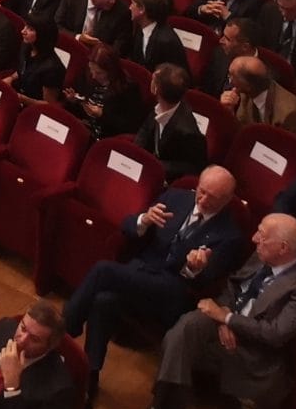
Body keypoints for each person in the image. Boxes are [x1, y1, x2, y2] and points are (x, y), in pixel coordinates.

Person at [63, 167, 246, 389]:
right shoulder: (176, 198)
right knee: (104, 300)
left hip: (172, 291)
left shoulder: (230, 235)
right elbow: (127, 226)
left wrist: (193, 268)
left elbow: (208, 281)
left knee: (103, 270)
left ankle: (64, 329)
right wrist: (144, 220)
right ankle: (90, 377)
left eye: (212, 197)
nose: (203, 200)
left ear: (227, 200)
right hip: (139, 274)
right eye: (201, 191)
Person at [147, 213, 296, 409]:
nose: (254, 238)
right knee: (185, 328)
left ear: (283, 248)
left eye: (262, 235)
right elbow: (233, 286)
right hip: (227, 324)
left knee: (175, 341)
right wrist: (224, 318)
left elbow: (273, 334)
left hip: (253, 352)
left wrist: (228, 319)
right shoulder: (262, 256)